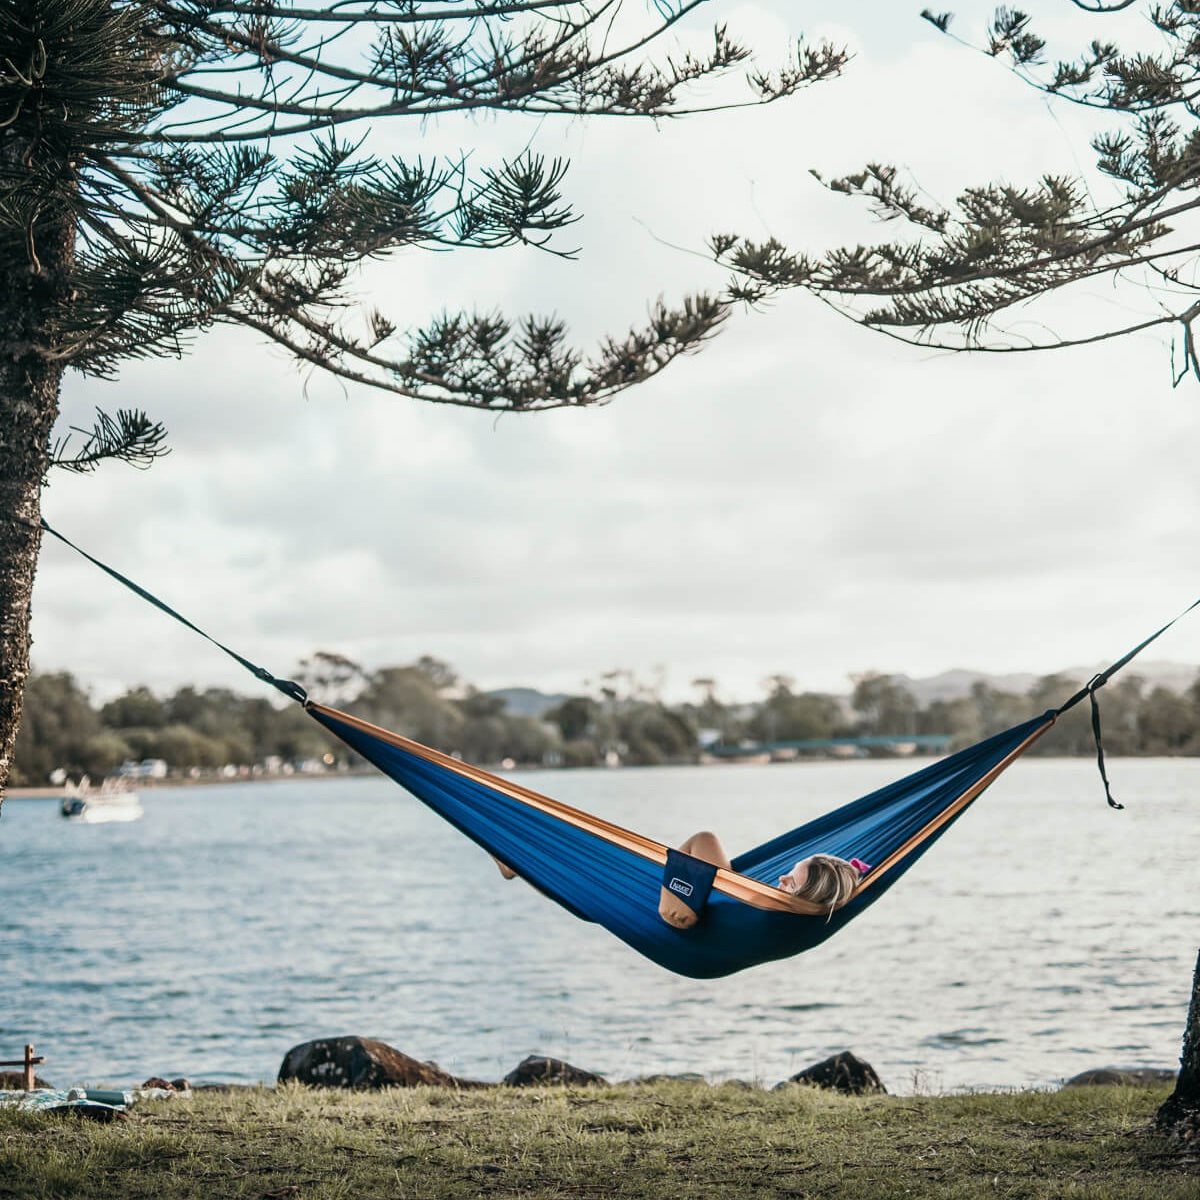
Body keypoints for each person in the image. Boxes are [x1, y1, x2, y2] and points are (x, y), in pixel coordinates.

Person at [658, 830, 864, 930]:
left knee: (705, 839)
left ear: (804, 899)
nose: (781, 877)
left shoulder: (765, 908)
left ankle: (670, 893)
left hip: (686, 918)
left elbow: (703, 841)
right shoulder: (800, 920)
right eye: (790, 871)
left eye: (791, 883)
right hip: (717, 918)